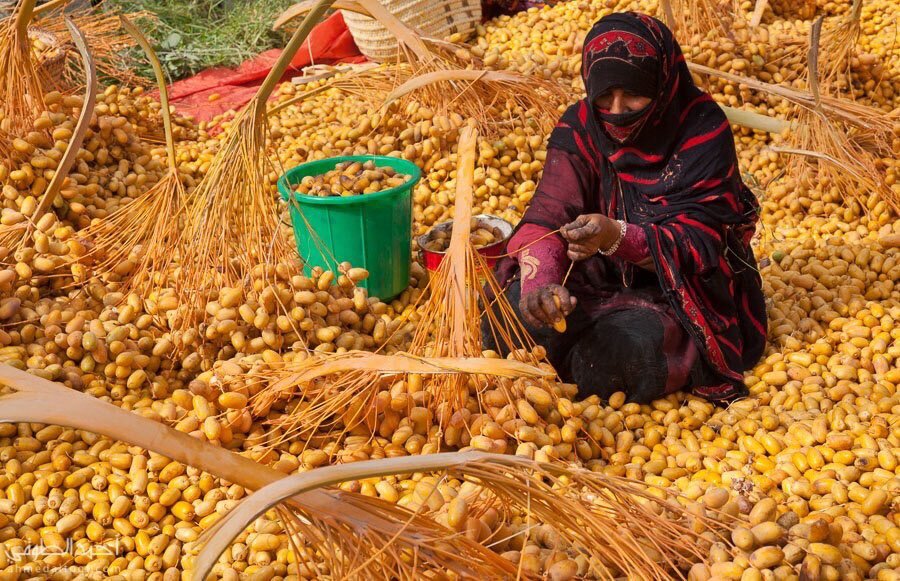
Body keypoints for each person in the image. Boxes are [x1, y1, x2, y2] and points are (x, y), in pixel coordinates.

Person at [486, 12, 767, 404]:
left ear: (662, 82)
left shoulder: (701, 129)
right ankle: (562, 350)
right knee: (502, 318)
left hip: (677, 290)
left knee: (614, 361)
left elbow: (702, 244)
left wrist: (615, 236)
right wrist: (542, 285)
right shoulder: (582, 125)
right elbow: (545, 217)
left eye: (633, 94)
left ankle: (598, 359)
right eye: (604, 95)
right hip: (592, 276)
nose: (617, 111)